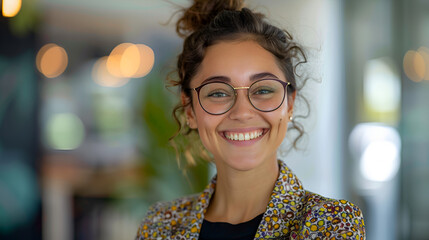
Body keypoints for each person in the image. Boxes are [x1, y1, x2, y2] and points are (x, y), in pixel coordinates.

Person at [136, 0, 366, 239]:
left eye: (263, 90)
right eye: (218, 92)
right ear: (190, 111)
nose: (242, 112)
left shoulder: (332, 222)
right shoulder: (160, 225)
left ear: (289, 104)